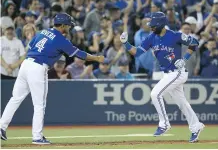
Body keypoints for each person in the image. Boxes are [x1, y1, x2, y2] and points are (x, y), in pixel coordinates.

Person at [0, 13, 104, 144]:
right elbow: (79, 54)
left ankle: (1, 127)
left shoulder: (43, 31)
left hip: (26, 65)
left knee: (15, 98)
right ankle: (37, 137)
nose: (69, 27)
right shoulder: (61, 39)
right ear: (62, 25)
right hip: (38, 67)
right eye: (68, 25)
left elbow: (31, 46)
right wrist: (96, 58)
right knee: (39, 105)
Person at [120, 12, 204, 142]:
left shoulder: (175, 35)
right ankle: (196, 127)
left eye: (153, 25)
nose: (151, 27)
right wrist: (125, 43)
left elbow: (194, 42)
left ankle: (164, 124)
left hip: (178, 72)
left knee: (155, 94)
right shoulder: (151, 37)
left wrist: (185, 58)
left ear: (160, 24)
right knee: (182, 104)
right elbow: (137, 53)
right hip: (168, 74)